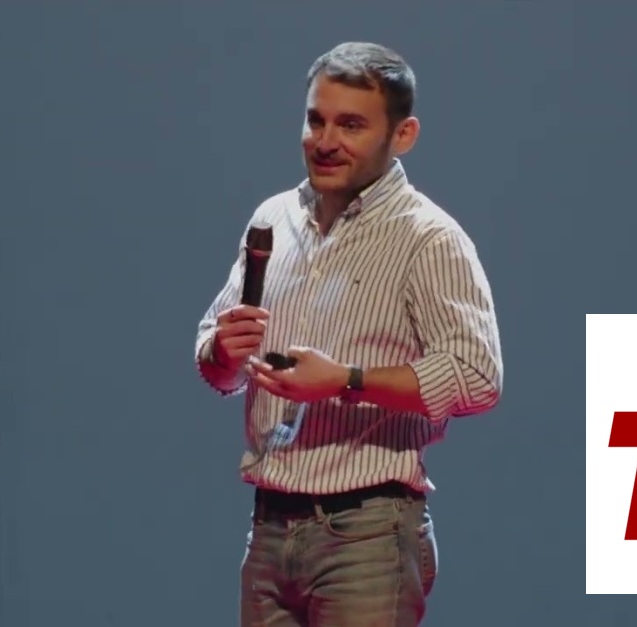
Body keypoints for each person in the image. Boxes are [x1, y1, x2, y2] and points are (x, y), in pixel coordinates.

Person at [194, 41, 504, 627]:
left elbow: (476, 377)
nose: (326, 141)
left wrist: (345, 381)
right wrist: (221, 352)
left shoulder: (428, 238)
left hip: (366, 536)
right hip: (269, 527)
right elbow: (219, 360)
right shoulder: (273, 219)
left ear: (403, 135)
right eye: (316, 120)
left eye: (351, 125)